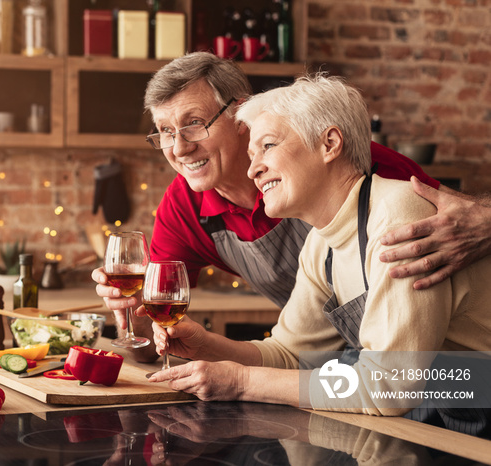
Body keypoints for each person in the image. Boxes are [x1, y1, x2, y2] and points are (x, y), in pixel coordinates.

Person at [147, 73, 491, 435]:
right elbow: (290, 356)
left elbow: (390, 386)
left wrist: (243, 382)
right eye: (252, 154)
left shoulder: (396, 215)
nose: (254, 169)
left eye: (268, 146)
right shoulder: (321, 243)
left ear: (329, 144)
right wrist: (208, 346)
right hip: (443, 408)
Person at [92, 52, 491, 361]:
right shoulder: (186, 207)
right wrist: (137, 320)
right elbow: (288, 355)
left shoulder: (372, 176)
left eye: (194, 123)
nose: (178, 148)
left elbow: (396, 381)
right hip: (333, 366)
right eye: (164, 132)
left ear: (240, 113)